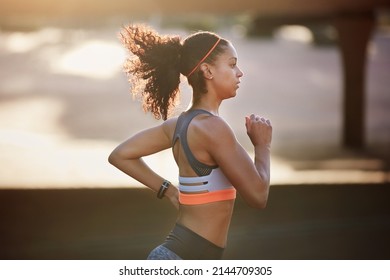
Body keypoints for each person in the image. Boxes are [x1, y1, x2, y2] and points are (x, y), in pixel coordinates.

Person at [108, 24, 272, 260]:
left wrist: (169, 191)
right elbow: (258, 197)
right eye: (232, 64)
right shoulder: (214, 128)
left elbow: (120, 154)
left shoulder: (179, 125)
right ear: (207, 70)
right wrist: (262, 146)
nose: (240, 73)